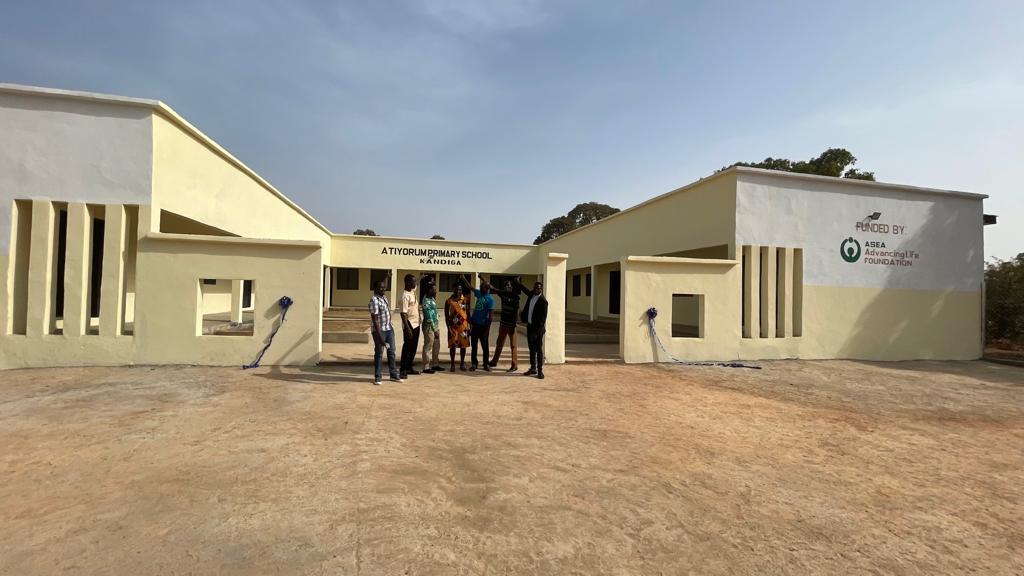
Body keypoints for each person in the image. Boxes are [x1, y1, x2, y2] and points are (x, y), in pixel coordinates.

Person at [368, 277, 402, 385]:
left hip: (389, 328)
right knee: (379, 353)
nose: (383, 289)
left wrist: (387, 277)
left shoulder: (383, 297)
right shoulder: (374, 300)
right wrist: (380, 338)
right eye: (381, 288)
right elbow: (375, 320)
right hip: (379, 331)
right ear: (375, 289)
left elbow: (384, 285)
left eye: (384, 288)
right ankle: (378, 377)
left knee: (391, 352)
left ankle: (393, 375)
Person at [487, 277, 522, 372]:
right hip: (503, 324)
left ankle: (514, 365)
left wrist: (515, 323)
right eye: (507, 286)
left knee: (513, 345)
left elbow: (517, 312)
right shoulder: (503, 295)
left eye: (510, 286)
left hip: (512, 326)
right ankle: (494, 361)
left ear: (512, 288)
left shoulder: (515, 297)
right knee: (499, 343)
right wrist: (482, 279)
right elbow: (493, 288)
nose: (508, 287)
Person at [515, 279, 548, 379]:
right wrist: (518, 283)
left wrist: (536, 333)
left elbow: (542, 320)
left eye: (538, 288)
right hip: (529, 326)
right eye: (535, 288)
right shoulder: (531, 295)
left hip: (537, 330)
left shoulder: (543, 302)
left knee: (538, 350)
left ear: (541, 289)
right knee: (531, 349)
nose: (536, 289)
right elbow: (525, 290)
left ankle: (540, 371)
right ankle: (533, 368)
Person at [463, 274, 495, 371]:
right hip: (475, 324)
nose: (480, 288)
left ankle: (486, 364)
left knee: (485, 346)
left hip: (484, 326)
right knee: (474, 345)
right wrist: (464, 278)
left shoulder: (490, 299)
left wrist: (487, 330)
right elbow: (470, 287)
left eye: (482, 287)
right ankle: (474, 363)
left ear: (486, 289)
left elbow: (491, 316)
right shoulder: (479, 293)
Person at [399, 274, 421, 379]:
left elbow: (417, 284)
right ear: (408, 283)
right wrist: (407, 328)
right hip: (409, 325)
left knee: (413, 348)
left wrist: (421, 277)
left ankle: (409, 367)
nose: (415, 283)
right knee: (407, 347)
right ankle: (402, 369)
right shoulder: (405, 296)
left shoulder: (412, 291)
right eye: (413, 281)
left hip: (416, 324)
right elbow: (403, 314)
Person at [445, 284, 470, 371]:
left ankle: (462, 364)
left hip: (463, 326)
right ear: (453, 289)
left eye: (460, 289)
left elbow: (468, 313)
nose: (458, 291)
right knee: (453, 346)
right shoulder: (449, 301)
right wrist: (448, 328)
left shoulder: (465, 300)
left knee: (463, 345)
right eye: (456, 289)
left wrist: (469, 326)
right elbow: (446, 316)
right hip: (453, 327)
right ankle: (452, 364)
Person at [420, 284, 442, 373]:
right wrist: (435, 329)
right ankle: (426, 367)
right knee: (428, 346)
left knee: (436, 345)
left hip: (436, 325)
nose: (436, 291)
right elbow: (429, 317)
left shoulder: (432, 299)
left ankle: (435, 364)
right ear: (429, 290)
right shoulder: (426, 301)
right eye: (434, 289)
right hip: (429, 327)